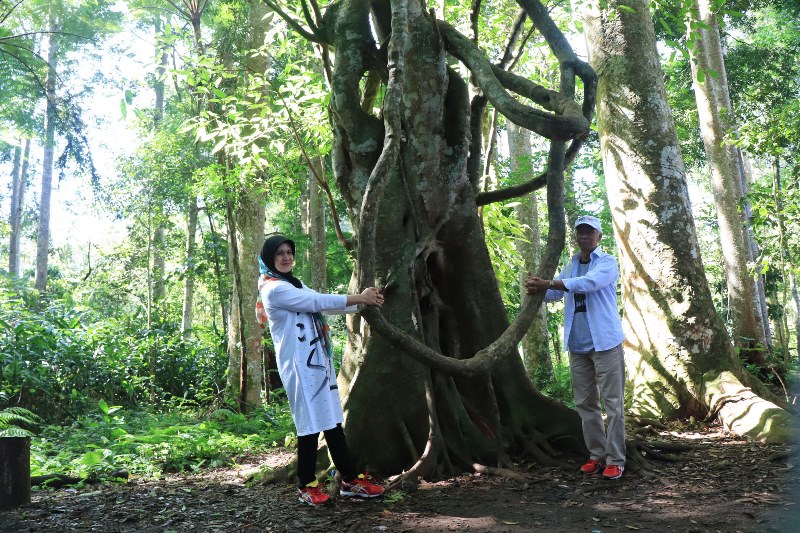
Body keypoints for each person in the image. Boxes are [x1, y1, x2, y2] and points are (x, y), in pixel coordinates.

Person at [257, 234, 386, 505]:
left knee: (331, 421)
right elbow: (315, 303)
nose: (286, 257)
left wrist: (363, 302)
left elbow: (319, 303)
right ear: (270, 258)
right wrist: (357, 297)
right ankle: (306, 485)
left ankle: (350, 481)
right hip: (299, 368)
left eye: (289, 252)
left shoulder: (295, 283)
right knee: (309, 426)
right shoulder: (274, 288)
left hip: (318, 363)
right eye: (280, 253)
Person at [525, 215, 626, 480]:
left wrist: (550, 283)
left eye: (589, 232)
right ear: (576, 236)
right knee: (585, 403)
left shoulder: (606, 262)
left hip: (605, 343)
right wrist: (536, 286)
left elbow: (589, 284)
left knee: (613, 403)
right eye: (580, 232)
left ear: (599, 236)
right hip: (578, 345)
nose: (584, 236)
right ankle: (596, 455)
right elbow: (555, 293)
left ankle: (616, 459)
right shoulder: (570, 265)